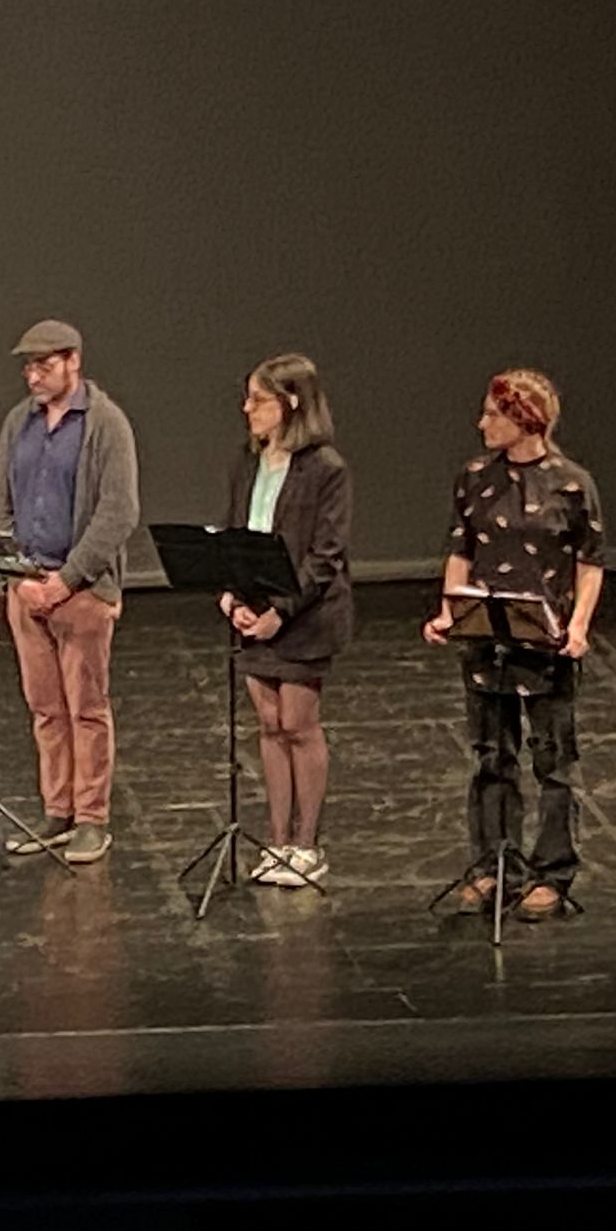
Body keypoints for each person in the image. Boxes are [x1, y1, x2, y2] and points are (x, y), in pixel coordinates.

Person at [424, 369, 604, 921]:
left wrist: (578, 627)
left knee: (553, 761)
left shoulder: (571, 483)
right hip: (487, 639)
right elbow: (460, 549)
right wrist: (449, 611)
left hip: (545, 643)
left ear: (525, 419)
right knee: (490, 756)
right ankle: (493, 864)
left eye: (493, 414)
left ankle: (552, 872)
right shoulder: (475, 477)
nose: (482, 423)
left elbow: (589, 561)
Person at [0, 319, 139, 865]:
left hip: (82, 591)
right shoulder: (19, 423)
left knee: (86, 709)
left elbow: (118, 511)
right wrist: (19, 575)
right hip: (26, 588)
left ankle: (91, 818)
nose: (33, 376)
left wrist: (67, 580)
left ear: (73, 361)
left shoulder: (105, 424)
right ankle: (58, 810)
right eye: (29, 367)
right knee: (45, 707)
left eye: (44, 365)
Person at [219, 354, 353, 889]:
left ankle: (307, 844)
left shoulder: (325, 469)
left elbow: (325, 555)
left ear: (291, 403)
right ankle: (277, 842)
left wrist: (281, 612)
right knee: (270, 726)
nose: (247, 408)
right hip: (255, 612)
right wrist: (234, 597)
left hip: (304, 615)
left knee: (298, 724)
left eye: (258, 399)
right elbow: (234, 530)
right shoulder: (248, 461)